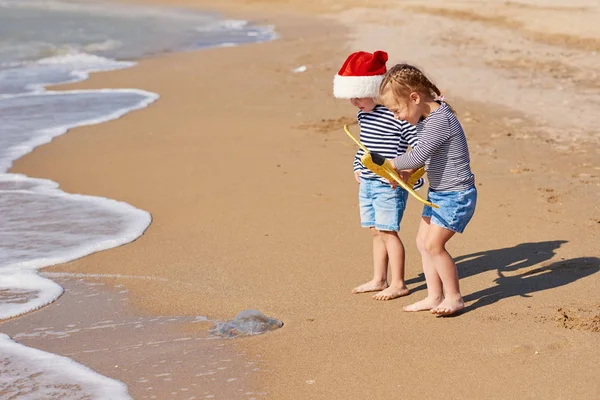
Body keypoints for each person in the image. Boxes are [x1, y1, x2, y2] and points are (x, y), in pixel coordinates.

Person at [378, 63, 477, 315]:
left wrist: (394, 164)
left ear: (415, 97)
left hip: (457, 195)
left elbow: (419, 153)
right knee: (422, 242)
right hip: (439, 193)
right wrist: (407, 172)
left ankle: (454, 297)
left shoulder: (440, 120)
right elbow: (423, 157)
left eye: (397, 109)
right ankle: (434, 296)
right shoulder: (426, 120)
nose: (396, 116)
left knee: (434, 246)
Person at [334, 51, 423, 301]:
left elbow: (418, 147)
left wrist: (409, 175)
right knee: (375, 231)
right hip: (368, 181)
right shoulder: (363, 115)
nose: (353, 102)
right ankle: (379, 278)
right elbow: (364, 146)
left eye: (358, 95)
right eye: (350, 96)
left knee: (388, 231)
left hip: (389, 183)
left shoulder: (396, 115)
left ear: (375, 90)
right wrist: (356, 166)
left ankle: (399, 283)